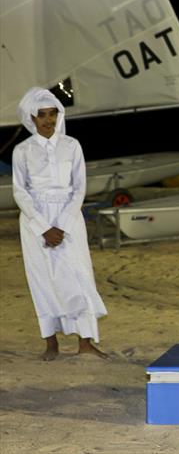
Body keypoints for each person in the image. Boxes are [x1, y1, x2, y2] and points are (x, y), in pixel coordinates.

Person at [12, 87, 107, 361]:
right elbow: (20, 191)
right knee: (43, 278)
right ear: (32, 117)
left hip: (69, 215)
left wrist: (62, 225)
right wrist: (44, 227)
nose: (48, 120)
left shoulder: (71, 145)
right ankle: (50, 343)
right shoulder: (23, 151)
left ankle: (86, 342)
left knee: (80, 275)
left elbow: (79, 188)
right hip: (34, 219)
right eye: (41, 115)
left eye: (52, 113)